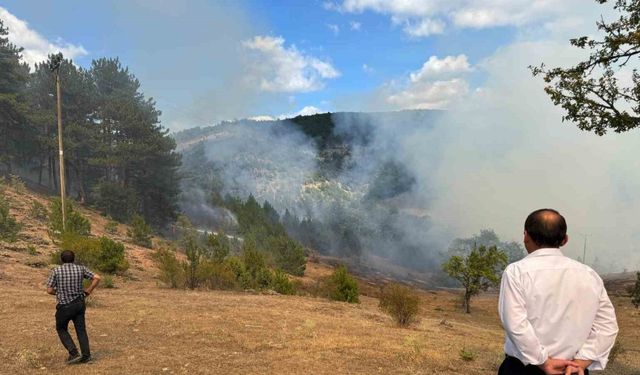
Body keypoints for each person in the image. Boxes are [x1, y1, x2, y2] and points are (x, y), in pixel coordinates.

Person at [498, 209, 618, 375]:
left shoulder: (517, 272)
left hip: (524, 369)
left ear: (525, 236)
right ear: (565, 240)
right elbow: (607, 326)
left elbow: (515, 324)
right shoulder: (589, 275)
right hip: (572, 370)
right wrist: (581, 362)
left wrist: (543, 361)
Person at [46, 250, 101, 364]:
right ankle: (86, 356)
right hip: (79, 303)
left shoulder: (56, 271)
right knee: (81, 330)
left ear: (61, 259)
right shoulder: (81, 269)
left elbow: (49, 290)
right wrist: (88, 291)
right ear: (74, 258)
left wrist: (60, 292)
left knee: (61, 328)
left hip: (65, 305)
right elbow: (97, 277)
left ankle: (74, 352)